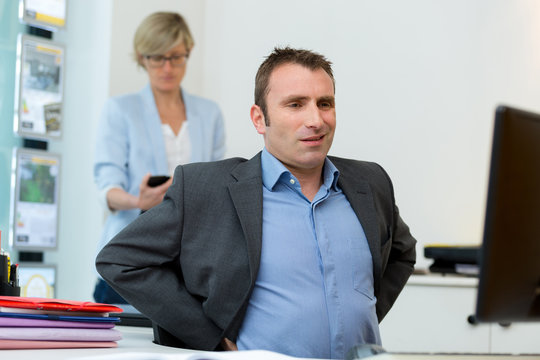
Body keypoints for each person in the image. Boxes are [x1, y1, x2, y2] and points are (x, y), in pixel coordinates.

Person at [96, 47, 416, 359]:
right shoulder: (206, 190)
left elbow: (403, 252)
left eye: (325, 103)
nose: (316, 119)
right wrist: (209, 337)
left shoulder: (370, 182)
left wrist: (364, 314)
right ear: (259, 118)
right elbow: (120, 260)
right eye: (295, 104)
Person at [93, 12, 225, 304]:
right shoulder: (120, 110)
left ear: (188, 54)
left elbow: (217, 186)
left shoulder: (209, 114)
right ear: (142, 58)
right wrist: (139, 202)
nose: (167, 67)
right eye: (157, 58)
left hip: (188, 262)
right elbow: (106, 188)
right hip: (130, 256)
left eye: (176, 57)